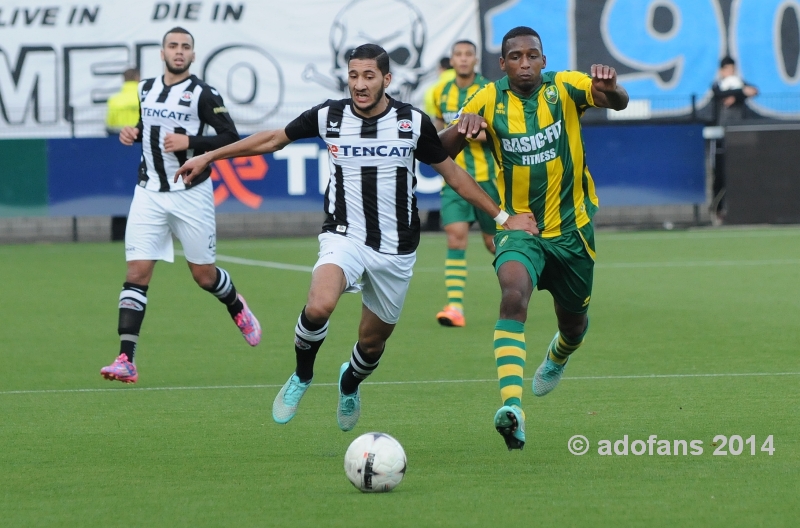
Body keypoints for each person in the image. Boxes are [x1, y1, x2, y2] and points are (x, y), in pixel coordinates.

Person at [175, 44, 536, 431]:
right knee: (319, 305)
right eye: (353, 76)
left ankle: (349, 383)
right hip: (343, 235)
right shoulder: (329, 115)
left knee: (371, 344)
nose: (360, 85)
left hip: (396, 250)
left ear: (386, 79)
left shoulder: (412, 122)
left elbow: (454, 175)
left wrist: (502, 217)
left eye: (368, 76)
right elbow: (271, 139)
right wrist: (210, 156)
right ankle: (302, 376)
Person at [440, 26, 629, 450]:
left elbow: (617, 102)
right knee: (512, 293)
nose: (524, 64)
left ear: (543, 60)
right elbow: (438, 152)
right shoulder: (487, 98)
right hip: (519, 229)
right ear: (502, 64)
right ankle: (513, 408)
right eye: (515, 57)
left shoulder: (564, 86)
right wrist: (460, 128)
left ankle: (559, 355)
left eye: (532, 56)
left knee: (574, 325)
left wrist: (612, 89)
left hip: (573, 230)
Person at [100, 27, 262, 384]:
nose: (178, 51)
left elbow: (231, 138)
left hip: (190, 192)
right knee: (136, 273)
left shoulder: (204, 94)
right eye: (172, 46)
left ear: (192, 54)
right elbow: (148, 127)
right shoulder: (145, 89)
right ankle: (126, 358)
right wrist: (133, 133)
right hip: (148, 193)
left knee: (203, 276)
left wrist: (191, 140)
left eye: (185, 47)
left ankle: (235, 304)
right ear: (162, 52)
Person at [431, 40, 500, 328]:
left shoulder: (488, 91)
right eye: (458, 54)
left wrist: (468, 132)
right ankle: (455, 307)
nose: (462, 59)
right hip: (453, 179)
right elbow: (438, 127)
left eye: (468, 54)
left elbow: (499, 131)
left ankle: (523, 284)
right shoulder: (440, 91)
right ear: (453, 60)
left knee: (493, 243)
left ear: (475, 59)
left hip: (487, 181)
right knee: (455, 237)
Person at [710, 56, 759, 223]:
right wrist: (739, 93)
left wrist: (737, 95)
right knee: (720, 175)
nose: (730, 73)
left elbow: (755, 90)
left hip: (739, 137)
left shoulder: (740, 83)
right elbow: (719, 93)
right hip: (722, 137)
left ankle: (744, 209)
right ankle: (718, 210)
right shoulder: (718, 85)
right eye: (727, 70)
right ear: (721, 71)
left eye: (732, 69)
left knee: (743, 173)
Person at [106, 68, 141, 135]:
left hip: (120, 137)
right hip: (140, 137)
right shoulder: (144, 98)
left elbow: (110, 124)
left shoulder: (113, 100)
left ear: (123, 79)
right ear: (137, 78)